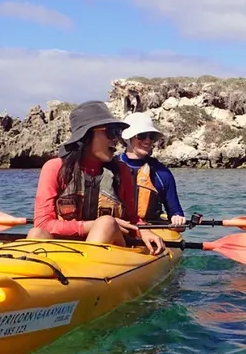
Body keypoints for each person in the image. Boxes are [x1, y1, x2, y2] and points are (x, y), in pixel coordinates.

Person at [26, 100, 165, 255]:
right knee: (36, 234)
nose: (116, 140)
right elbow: (43, 224)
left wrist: (143, 230)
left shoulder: (121, 171)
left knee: (106, 224)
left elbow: (132, 219)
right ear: (86, 135)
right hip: (66, 251)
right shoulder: (54, 168)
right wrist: (91, 226)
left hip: (109, 251)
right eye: (111, 132)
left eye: (118, 133)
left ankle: (85, 272)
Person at [117, 112, 186, 226]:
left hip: (150, 229)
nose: (148, 141)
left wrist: (177, 219)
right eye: (142, 135)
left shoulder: (162, 173)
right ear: (127, 139)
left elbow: (176, 212)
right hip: (117, 230)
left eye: (151, 137)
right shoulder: (110, 167)